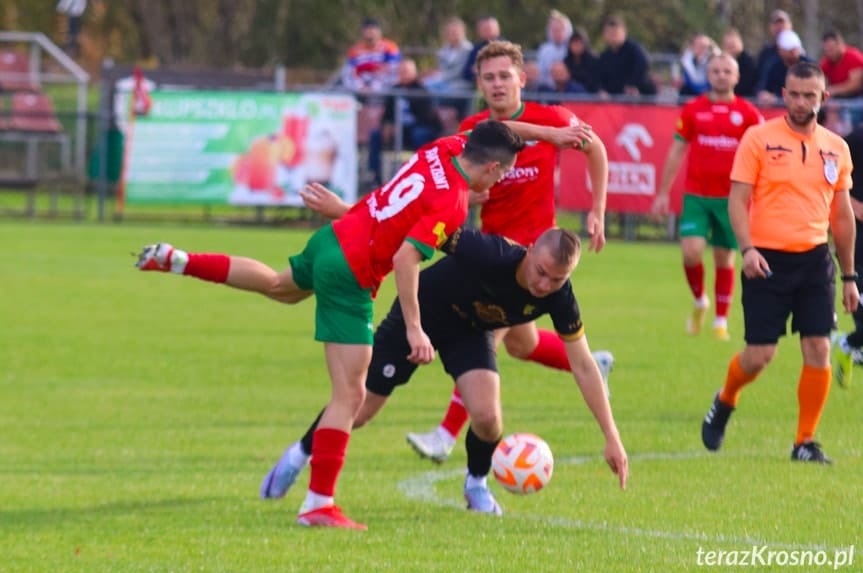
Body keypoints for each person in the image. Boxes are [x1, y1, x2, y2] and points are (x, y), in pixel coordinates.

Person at [133, 121, 527, 530]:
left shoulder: (442, 148)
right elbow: (405, 258)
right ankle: (318, 504)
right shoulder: (453, 203)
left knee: (276, 284)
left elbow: (406, 202)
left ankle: (179, 260)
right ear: (494, 167)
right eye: (503, 172)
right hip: (351, 273)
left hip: (334, 238)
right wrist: (414, 326)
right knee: (351, 395)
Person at [258, 224, 628, 515]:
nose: (543, 285)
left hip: (470, 333)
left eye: (556, 280)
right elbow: (417, 234)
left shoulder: (560, 297)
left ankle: (476, 485)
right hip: (419, 316)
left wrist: (611, 436)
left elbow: (582, 364)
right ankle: (299, 454)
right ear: (529, 251)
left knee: (487, 418)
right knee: (361, 408)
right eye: (541, 272)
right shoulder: (489, 251)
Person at [405, 40, 610, 463]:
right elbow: (460, 180)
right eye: (489, 78)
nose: (497, 84)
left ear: (522, 78)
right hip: (489, 252)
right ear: (478, 83)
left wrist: (598, 209)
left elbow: (597, 149)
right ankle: (594, 365)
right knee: (522, 343)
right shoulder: (475, 126)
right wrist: (471, 195)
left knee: (484, 337)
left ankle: (445, 435)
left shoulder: (550, 119)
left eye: (505, 76)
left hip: (534, 257)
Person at [700, 62, 858, 465]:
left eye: (810, 95)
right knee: (759, 356)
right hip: (765, 260)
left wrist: (850, 277)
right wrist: (748, 249)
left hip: (815, 261)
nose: (801, 102)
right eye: (794, 94)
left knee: (819, 347)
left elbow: (841, 217)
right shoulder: (759, 138)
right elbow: (737, 200)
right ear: (784, 94)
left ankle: (804, 441)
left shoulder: (836, 147)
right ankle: (725, 398)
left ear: (824, 99)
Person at [652, 52, 764, 341]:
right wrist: (663, 192)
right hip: (697, 195)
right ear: (708, 75)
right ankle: (700, 300)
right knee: (691, 251)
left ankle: (720, 321)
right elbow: (677, 150)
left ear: (737, 76)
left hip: (733, 198)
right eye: (715, 70)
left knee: (724, 258)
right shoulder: (693, 109)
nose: (721, 75)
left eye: (727, 70)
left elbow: (763, 156)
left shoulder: (749, 114)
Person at [368, 58, 443, 186]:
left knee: (419, 134)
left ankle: (423, 175)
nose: (403, 74)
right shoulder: (394, 89)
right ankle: (376, 178)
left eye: (407, 71)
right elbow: (387, 115)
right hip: (399, 130)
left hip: (419, 129)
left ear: (414, 73)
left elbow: (427, 118)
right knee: (375, 135)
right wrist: (387, 125)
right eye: (401, 71)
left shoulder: (421, 90)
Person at [832, 123, 863, 385]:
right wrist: (853, 205)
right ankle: (847, 344)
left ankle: (853, 348)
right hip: (857, 248)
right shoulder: (854, 140)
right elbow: (829, 178)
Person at [597, 15, 657, 97]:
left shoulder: (635, 50)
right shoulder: (605, 55)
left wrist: (632, 85)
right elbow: (600, 76)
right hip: (614, 99)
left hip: (640, 97)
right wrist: (602, 90)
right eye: (609, 33)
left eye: (615, 33)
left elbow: (643, 67)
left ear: (624, 32)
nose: (612, 36)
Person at [340, 18, 401, 95]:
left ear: (379, 31)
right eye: (366, 30)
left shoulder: (390, 47)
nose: (369, 32)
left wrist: (375, 86)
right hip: (360, 91)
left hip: (384, 90)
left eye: (372, 29)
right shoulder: (354, 50)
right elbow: (349, 72)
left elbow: (393, 69)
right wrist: (360, 86)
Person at [756, 29, 811, 106]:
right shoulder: (773, 65)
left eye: (794, 49)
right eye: (789, 50)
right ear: (780, 50)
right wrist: (763, 94)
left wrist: (778, 99)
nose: (792, 53)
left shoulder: (809, 66)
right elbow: (762, 86)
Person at [535, 9, 573, 91]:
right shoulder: (544, 50)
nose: (558, 33)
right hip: (548, 89)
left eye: (561, 29)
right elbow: (540, 73)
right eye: (555, 30)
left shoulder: (572, 48)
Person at [820, 30, 863, 99]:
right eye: (826, 50)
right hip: (840, 98)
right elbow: (821, 81)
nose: (829, 53)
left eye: (831, 49)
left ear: (840, 44)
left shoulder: (854, 56)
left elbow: (855, 86)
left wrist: (832, 90)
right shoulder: (826, 62)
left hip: (858, 97)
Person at [462, 15, 502, 85]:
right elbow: (466, 73)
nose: (487, 31)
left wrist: (481, 69)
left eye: (490, 28)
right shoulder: (476, 48)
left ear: (498, 29)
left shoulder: (505, 48)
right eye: (484, 29)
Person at [755, 9, 793, 80]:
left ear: (790, 25)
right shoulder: (766, 53)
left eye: (782, 23)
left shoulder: (797, 52)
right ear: (770, 27)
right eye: (776, 23)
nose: (779, 26)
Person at [721, 27, 758, 98]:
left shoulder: (749, 62)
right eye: (728, 45)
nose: (730, 49)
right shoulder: (720, 62)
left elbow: (746, 84)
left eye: (732, 45)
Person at [563, 26, 600, 94]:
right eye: (574, 43)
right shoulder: (566, 61)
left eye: (579, 43)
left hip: (590, 94)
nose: (576, 46)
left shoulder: (593, 59)